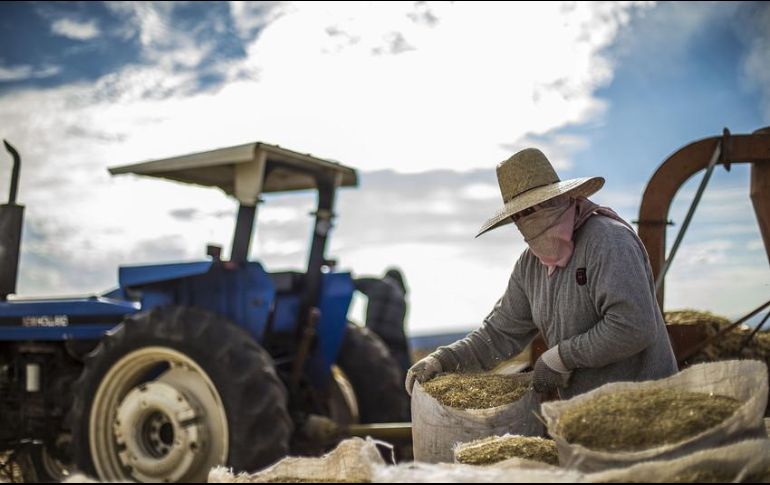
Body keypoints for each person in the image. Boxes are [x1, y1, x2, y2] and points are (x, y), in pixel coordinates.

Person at [405, 148, 677, 399]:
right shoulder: (530, 266)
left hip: (646, 405)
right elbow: (499, 333)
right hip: (585, 414)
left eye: (534, 208)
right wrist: (442, 360)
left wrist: (562, 357)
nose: (526, 221)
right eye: (519, 215)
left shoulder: (607, 240)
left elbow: (633, 326)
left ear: (559, 198)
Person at [354, 268, 411, 378]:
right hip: (397, 343)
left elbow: (358, 283)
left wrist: (346, 278)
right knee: (403, 378)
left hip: (377, 337)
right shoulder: (401, 296)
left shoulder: (382, 284)